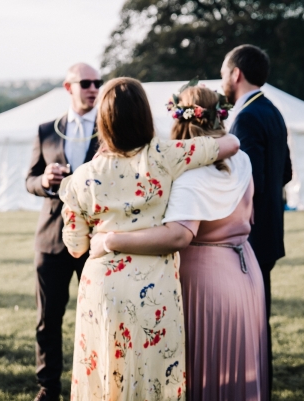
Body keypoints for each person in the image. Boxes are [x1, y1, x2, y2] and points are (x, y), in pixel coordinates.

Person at [59, 78, 240, 400]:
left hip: (102, 285)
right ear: (145, 115)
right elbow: (231, 145)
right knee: (154, 374)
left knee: (104, 369)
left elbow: (76, 247)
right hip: (153, 284)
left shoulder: (81, 178)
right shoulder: (165, 155)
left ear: (103, 120)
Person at [25, 62, 101, 401]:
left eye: (98, 82)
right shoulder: (46, 130)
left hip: (98, 239)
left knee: (100, 316)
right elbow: (29, 179)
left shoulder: (109, 127)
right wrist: (44, 181)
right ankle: (49, 387)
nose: (93, 88)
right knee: (48, 320)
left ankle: (98, 384)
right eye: (85, 82)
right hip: (52, 237)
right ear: (67, 87)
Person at [221, 44, 293, 395]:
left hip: (249, 241)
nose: (222, 78)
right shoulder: (273, 111)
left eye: (223, 71)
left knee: (250, 324)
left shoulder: (246, 117)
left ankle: (254, 389)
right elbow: (287, 172)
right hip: (270, 236)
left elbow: (251, 182)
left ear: (236, 74)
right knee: (257, 321)